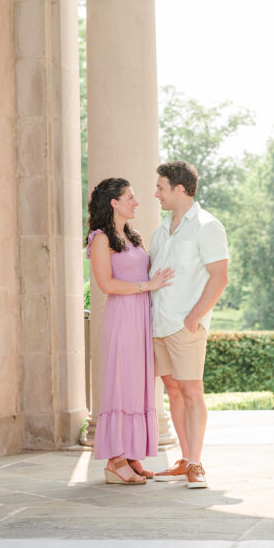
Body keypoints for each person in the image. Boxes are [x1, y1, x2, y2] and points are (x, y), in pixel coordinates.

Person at [86, 177, 174, 484]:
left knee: (137, 385)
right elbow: (106, 284)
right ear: (114, 202)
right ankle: (114, 460)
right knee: (122, 384)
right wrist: (145, 286)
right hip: (122, 318)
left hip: (141, 316)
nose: (137, 202)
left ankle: (131, 454)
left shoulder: (131, 236)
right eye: (130, 198)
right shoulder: (100, 239)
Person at [148, 161, 229, 489]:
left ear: (180, 189)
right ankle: (184, 459)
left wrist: (194, 318)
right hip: (159, 324)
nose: (156, 194)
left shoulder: (207, 226)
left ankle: (196, 463)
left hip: (186, 325)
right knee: (173, 391)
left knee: (192, 391)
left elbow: (219, 277)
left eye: (161, 187)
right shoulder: (160, 230)